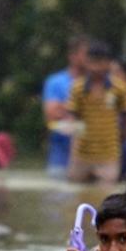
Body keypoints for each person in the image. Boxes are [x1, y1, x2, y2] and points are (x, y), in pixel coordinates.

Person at [65, 40, 126, 184]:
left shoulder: (119, 88)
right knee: (78, 197)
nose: (95, 68)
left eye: (100, 63)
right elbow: (73, 117)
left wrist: (119, 140)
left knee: (106, 197)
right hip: (82, 154)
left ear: (108, 63)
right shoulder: (77, 88)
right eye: (91, 62)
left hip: (109, 155)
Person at [42, 35, 88, 179]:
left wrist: (66, 109)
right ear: (73, 56)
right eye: (86, 54)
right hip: (60, 159)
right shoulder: (56, 82)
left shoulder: (97, 84)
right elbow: (51, 114)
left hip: (90, 160)